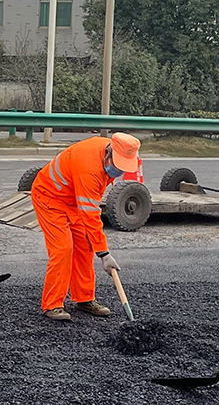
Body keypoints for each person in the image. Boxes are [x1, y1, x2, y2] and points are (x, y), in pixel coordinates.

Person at [29, 133, 140, 321]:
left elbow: (88, 208)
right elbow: (90, 214)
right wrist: (104, 254)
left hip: (73, 198)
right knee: (63, 248)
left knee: (85, 245)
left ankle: (84, 299)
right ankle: (53, 304)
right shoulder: (89, 168)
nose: (118, 171)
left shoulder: (117, 151)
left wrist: (97, 248)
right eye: (116, 165)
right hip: (50, 197)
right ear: (108, 153)